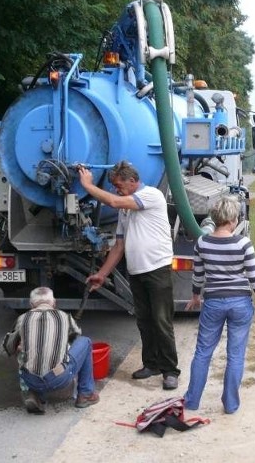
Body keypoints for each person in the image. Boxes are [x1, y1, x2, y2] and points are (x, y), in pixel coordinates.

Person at [78, 161, 181, 390]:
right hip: (136, 272)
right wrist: (102, 274)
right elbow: (118, 246)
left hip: (157, 269)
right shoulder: (126, 209)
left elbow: (113, 201)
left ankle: (170, 370)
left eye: (118, 185)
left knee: (161, 321)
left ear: (132, 181)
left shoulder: (152, 195)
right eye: (114, 186)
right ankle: (151, 364)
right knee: (144, 321)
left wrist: (88, 185)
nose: (117, 190)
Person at [184, 196, 255, 414]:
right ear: (233, 219)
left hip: (213, 301)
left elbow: (198, 275)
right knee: (235, 355)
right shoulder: (243, 243)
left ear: (214, 219)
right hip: (240, 303)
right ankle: (231, 404)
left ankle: (192, 401)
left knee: (203, 352)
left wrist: (196, 296)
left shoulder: (202, 243)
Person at [3, 286, 99, 414]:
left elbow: (8, 347)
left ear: (31, 305)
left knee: (20, 348)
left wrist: (21, 345)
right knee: (85, 342)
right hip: (59, 378)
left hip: (30, 379)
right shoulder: (65, 317)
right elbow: (75, 337)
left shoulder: (23, 319)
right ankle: (86, 394)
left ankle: (35, 393)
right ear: (54, 303)